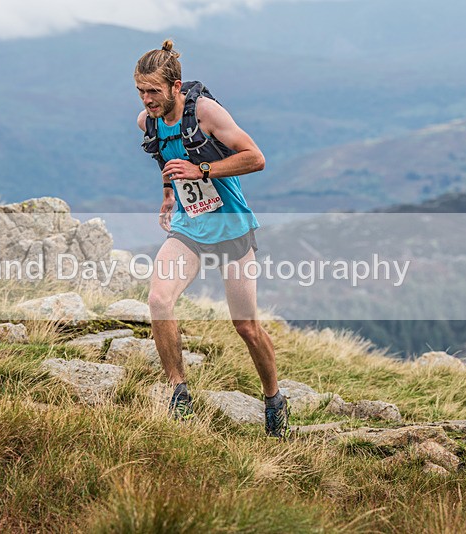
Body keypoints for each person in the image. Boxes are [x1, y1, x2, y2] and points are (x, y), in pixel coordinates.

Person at [134, 39, 290, 438]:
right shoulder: (147, 121)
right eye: (140, 91)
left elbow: (256, 158)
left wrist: (202, 170)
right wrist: (169, 195)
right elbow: (166, 160)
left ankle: (274, 400)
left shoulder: (205, 112)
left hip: (233, 228)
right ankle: (179, 394)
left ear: (175, 86)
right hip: (190, 230)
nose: (147, 100)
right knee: (158, 299)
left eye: (153, 91)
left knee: (246, 326)